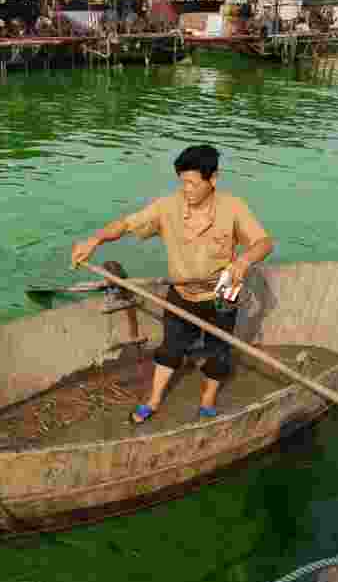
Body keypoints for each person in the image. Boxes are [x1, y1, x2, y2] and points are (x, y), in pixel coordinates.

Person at [70, 145, 274, 423]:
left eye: (192, 183)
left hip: (221, 294)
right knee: (169, 350)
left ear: (212, 179)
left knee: (219, 354)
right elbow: (126, 224)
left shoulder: (233, 208)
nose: (186, 189)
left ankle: (207, 402)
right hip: (181, 292)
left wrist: (243, 262)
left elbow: (264, 243)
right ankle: (153, 401)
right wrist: (94, 240)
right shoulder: (167, 207)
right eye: (182, 182)